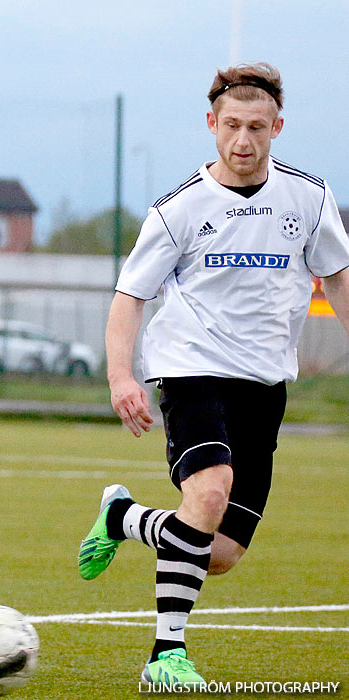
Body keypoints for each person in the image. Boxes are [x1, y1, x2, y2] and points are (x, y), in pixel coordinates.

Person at [77, 62, 349, 687]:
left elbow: (336, 278)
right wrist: (123, 377)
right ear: (211, 125)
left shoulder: (309, 198)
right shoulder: (180, 209)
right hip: (191, 368)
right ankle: (165, 656)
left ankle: (124, 519)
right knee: (208, 489)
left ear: (278, 126)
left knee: (219, 553)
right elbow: (129, 298)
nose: (244, 141)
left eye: (257, 127)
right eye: (231, 126)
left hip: (265, 384)